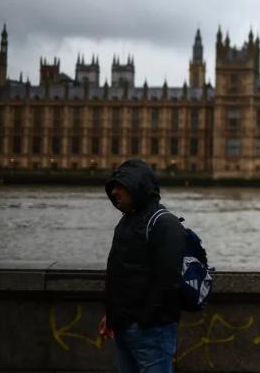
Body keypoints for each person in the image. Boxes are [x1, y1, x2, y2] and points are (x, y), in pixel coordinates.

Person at [99, 159, 186, 373]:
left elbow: (169, 281)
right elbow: (122, 275)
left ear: (137, 186)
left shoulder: (164, 224)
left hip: (150, 331)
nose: (114, 193)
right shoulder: (126, 222)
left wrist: (144, 321)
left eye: (120, 187)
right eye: (112, 188)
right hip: (123, 327)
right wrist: (112, 313)